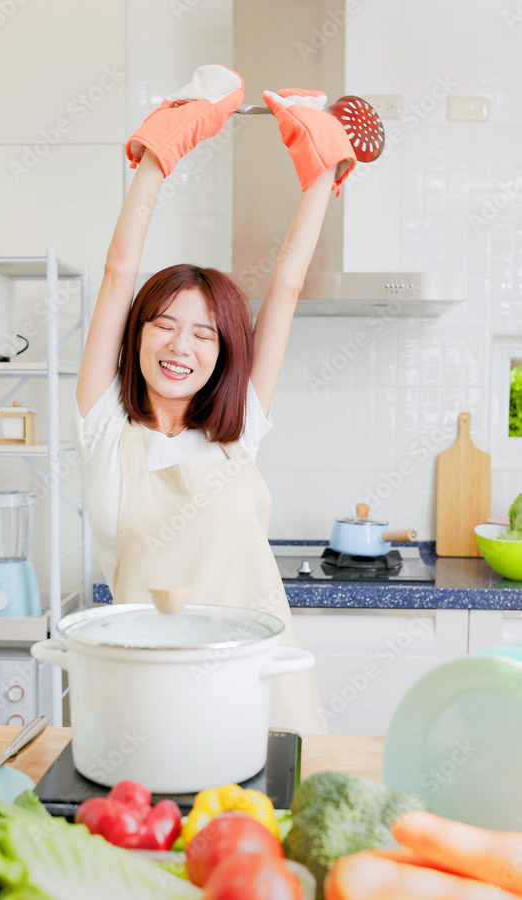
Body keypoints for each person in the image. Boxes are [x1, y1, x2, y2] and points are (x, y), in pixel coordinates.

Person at [73, 65, 356, 734]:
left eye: (204, 332)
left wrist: (320, 165)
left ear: (223, 352)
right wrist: (164, 147)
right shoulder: (102, 425)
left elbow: (285, 284)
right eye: (163, 323)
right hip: (147, 690)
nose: (181, 345)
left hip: (258, 684)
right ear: (136, 333)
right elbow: (118, 271)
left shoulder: (239, 432)